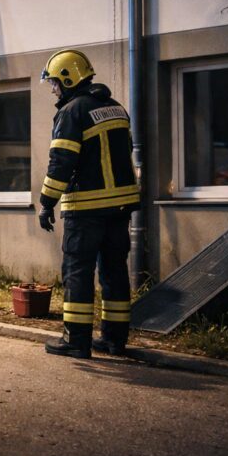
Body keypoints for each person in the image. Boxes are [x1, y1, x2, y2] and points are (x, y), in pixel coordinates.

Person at [37, 50, 140, 359]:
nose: (54, 89)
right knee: (114, 271)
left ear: (68, 78)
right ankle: (114, 339)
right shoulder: (116, 108)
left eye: (55, 83)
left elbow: (62, 161)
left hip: (86, 208)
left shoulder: (72, 111)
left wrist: (46, 203)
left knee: (77, 272)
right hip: (120, 208)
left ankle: (76, 340)